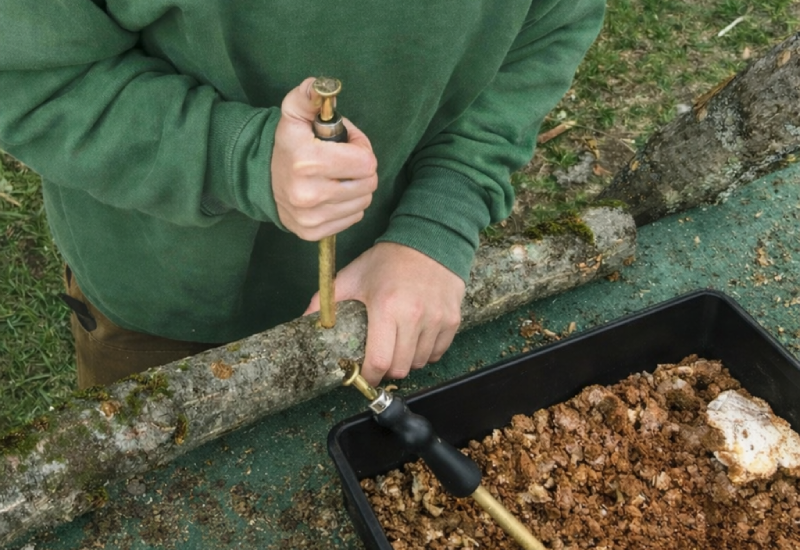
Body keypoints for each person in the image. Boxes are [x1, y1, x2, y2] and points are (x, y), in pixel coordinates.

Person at [0, 0, 604, 389]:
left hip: (383, 288)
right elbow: (34, 74)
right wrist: (240, 157)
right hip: (159, 293)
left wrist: (439, 222)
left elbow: (550, 26)